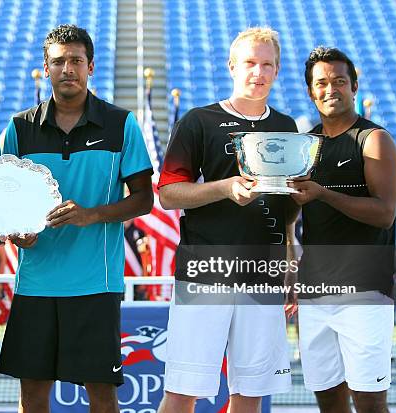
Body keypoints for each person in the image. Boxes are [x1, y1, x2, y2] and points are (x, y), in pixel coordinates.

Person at [0, 24, 153, 412]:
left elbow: (145, 199)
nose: (68, 69)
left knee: (101, 393)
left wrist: (92, 215)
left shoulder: (121, 124)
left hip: (95, 286)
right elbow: (6, 205)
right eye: (59, 61)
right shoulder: (19, 128)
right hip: (35, 285)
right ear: (45, 68)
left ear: (90, 66)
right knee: (32, 394)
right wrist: (19, 233)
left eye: (76, 61)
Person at [157, 27, 297, 413]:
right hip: (205, 270)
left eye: (267, 64)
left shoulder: (287, 128)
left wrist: (289, 261)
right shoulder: (198, 121)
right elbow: (168, 193)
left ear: (277, 69)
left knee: (249, 392)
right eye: (250, 62)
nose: (259, 72)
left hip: (263, 272)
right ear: (232, 66)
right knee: (183, 390)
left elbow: (285, 213)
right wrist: (225, 187)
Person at [290, 47, 396, 413]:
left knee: (369, 404)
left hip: (364, 292)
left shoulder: (374, 140)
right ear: (310, 91)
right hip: (315, 292)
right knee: (329, 403)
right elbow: (294, 213)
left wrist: (323, 193)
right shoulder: (306, 146)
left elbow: (384, 213)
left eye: (339, 81)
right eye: (320, 83)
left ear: (354, 86)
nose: (330, 89)